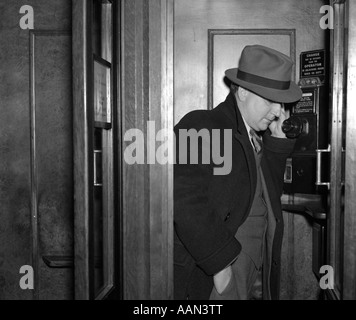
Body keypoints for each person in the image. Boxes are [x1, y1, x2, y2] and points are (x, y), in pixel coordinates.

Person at [174, 44, 302, 300]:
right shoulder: (201, 124)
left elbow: (267, 199)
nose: (278, 112)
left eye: (281, 104)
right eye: (270, 101)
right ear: (242, 91)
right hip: (215, 280)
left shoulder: (253, 136)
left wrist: (276, 147)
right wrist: (222, 273)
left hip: (249, 275)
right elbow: (183, 199)